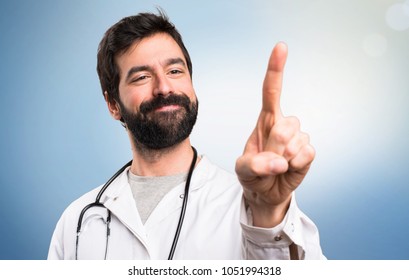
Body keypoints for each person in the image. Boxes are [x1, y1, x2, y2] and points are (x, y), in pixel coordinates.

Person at [48, 10, 324, 260]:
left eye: (175, 71)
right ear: (113, 105)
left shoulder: (252, 204)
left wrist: (269, 215)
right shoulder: (78, 222)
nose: (164, 87)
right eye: (142, 77)